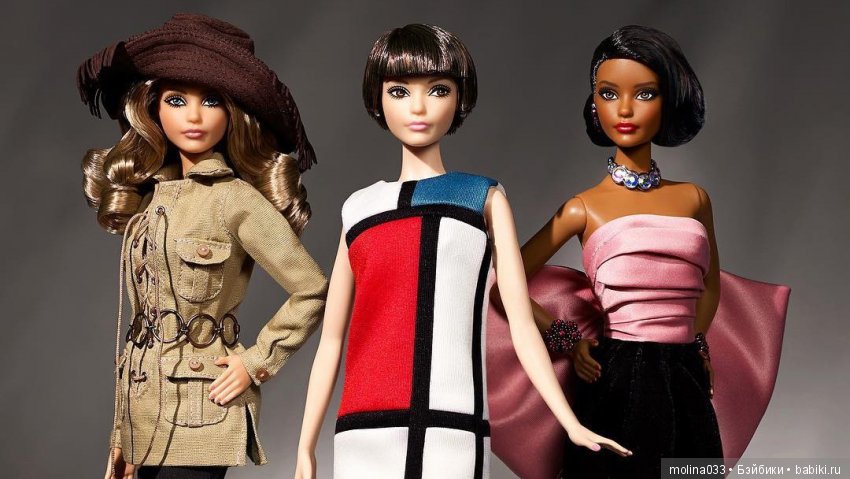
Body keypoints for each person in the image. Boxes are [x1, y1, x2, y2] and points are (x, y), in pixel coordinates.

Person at [293, 24, 630, 479]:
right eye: (398, 91)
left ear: (459, 98)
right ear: (378, 99)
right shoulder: (358, 209)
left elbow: (521, 322)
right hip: (362, 431)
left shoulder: (482, 198)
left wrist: (569, 422)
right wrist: (305, 447)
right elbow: (332, 338)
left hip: (453, 426)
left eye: (437, 89)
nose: (417, 107)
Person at [486, 25, 790, 478]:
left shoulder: (694, 199)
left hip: (685, 375)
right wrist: (568, 340)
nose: (624, 109)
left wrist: (697, 343)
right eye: (609, 94)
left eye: (644, 94)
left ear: (668, 102)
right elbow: (502, 288)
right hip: (617, 377)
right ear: (594, 103)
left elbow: (709, 286)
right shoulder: (582, 208)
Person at [77, 13, 329, 479]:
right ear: (153, 109)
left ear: (231, 113)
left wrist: (255, 363)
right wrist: (122, 435)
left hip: (203, 408)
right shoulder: (151, 203)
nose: (193, 117)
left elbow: (312, 288)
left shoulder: (236, 200)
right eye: (176, 100)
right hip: (145, 416)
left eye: (210, 101)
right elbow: (142, 330)